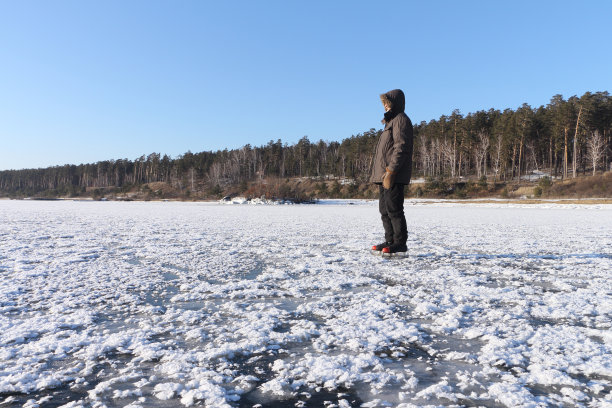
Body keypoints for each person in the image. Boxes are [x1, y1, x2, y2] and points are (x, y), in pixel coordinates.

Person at [370, 89, 414, 254]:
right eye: (384, 104)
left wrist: (391, 171)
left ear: (395, 104)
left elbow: (401, 147)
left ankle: (400, 243)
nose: (385, 107)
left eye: (388, 104)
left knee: (394, 209)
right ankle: (390, 240)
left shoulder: (401, 120)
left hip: (393, 175)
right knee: (384, 209)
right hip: (383, 175)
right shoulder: (390, 122)